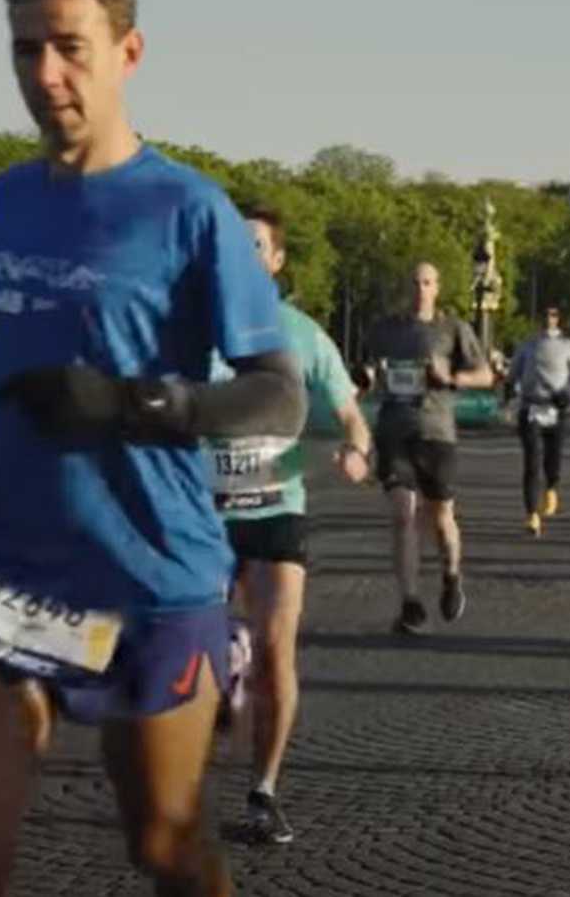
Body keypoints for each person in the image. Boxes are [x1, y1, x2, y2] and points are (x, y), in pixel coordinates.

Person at [0, 0, 306, 897]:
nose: (45, 75)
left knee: (166, 842)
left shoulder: (190, 208)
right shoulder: (5, 201)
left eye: (69, 48)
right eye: (24, 50)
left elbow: (276, 393)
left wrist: (135, 405)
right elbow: (16, 348)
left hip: (152, 579)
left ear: (128, 51)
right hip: (8, 573)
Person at [206, 205, 373, 846]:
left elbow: (350, 413)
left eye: (256, 246)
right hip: (203, 517)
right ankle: (224, 662)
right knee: (189, 654)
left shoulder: (304, 336)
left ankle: (263, 793)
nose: (243, 257)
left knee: (279, 654)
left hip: (277, 512)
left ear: (276, 261)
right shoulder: (195, 334)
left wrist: (357, 449)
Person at [365, 263, 493, 635]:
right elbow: (370, 369)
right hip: (393, 430)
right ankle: (410, 604)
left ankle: (451, 576)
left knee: (440, 517)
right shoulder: (385, 330)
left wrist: (451, 377)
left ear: (437, 288)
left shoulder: (453, 329)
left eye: (427, 282)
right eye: (414, 282)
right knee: (403, 515)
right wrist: (369, 377)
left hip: (436, 431)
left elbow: (485, 375)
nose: (420, 288)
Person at [512, 305, 570, 536]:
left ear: (559, 319)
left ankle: (552, 486)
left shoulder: (569, 346)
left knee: (553, 457)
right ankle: (532, 514)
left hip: (556, 408)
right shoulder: (527, 345)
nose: (548, 318)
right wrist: (513, 390)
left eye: (552, 315)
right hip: (532, 406)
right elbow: (514, 374)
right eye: (544, 314)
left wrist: (569, 394)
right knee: (532, 462)